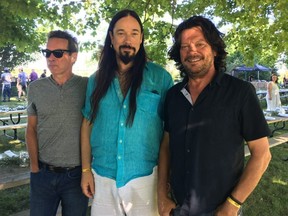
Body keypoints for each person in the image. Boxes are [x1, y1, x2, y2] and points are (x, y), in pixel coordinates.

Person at [157, 16, 272, 216]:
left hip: (220, 210)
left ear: (215, 49)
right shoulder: (173, 96)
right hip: (177, 208)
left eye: (200, 44)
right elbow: (166, 145)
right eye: (185, 46)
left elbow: (262, 154)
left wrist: (232, 206)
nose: (192, 51)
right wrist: (161, 196)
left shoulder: (241, 93)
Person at [81, 9, 173, 216]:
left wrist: (166, 179)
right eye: (121, 33)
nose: (127, 39)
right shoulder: (95, 81)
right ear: (111, 38)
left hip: (146, 178)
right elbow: (87, 124)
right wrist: (86, 170)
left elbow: (169, 133)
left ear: (141, 39)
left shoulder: (161, 78)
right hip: (103, 177)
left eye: (134, 33)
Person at [26, 30, 88, 216]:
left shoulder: (87, 86)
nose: (51, 58)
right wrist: (34, 167)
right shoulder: (35, 88)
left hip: (76, 176)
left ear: (73, 57)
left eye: (58, 53)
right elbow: (31, 129)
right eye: (47, 53)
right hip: (43, 175)